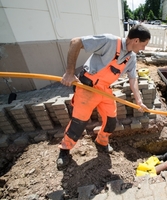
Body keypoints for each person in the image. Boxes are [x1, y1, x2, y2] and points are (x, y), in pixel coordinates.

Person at [56, 25, 151, 170]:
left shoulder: (131, 58)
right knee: (78, 123)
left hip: (105, 89)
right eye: (144, 45)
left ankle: (101, 142)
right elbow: (75, 42)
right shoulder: (109, 41)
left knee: (111, 121)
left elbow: (133, 80)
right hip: (87, 87)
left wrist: (139, 101)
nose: (144, 48)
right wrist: (69, 72)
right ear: (136, 40)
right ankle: (64, 150)